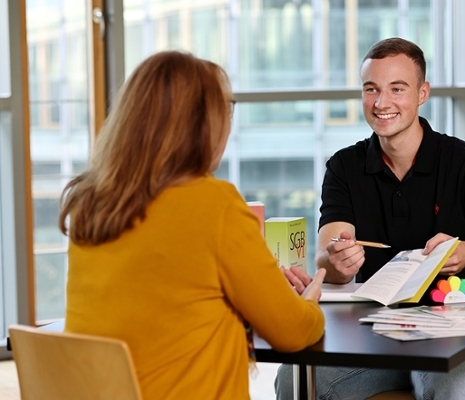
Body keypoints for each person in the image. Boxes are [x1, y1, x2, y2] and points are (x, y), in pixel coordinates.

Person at [276, 37, 465, 400]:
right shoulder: (344, 167)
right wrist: (338, 263)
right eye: (371, 89)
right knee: (294, 379)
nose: (382, 103)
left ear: (422, 93)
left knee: (454, 388)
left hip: (456, 334)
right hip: (371, 336)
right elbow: (326, 258)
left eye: (397, 89)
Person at [59, 50, 326, 400]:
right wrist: (310, 304)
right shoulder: (214, 204)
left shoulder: (90, 204)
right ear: (204, 124)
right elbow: (291, 332)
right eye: (225, 112)